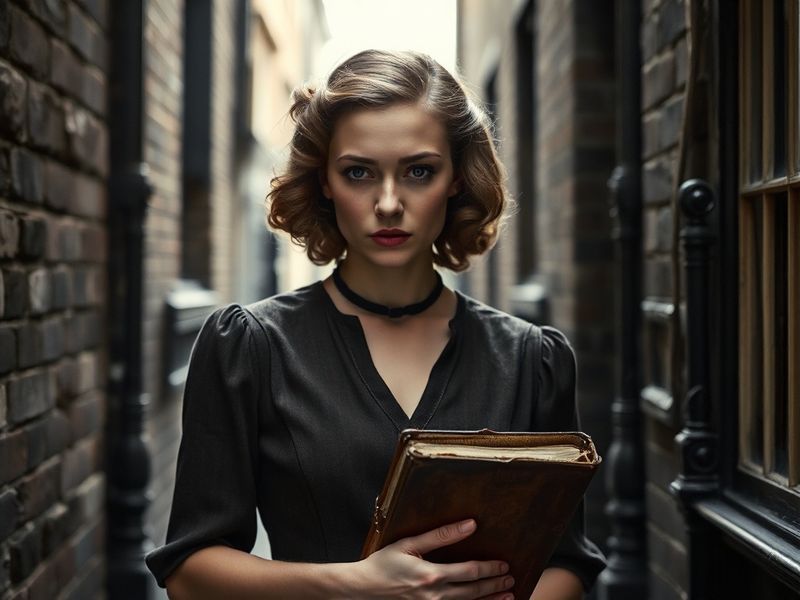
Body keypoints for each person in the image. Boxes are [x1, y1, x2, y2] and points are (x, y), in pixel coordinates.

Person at [145, 49, 605, 599]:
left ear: (457, 178)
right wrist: (355, 587)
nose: (388, 203)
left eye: (419, 171)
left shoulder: (533, 360)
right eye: (359, 172)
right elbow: (189, 574)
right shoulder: (250, 347)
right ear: (324, 181)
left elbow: (567, 562)